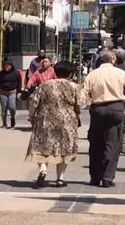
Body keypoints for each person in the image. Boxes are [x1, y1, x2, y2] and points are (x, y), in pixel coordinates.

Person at [81, 50, 125, 187]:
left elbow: (83, 96)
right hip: (116, 108)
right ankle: (107, 178)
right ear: (113, 60)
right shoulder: (120, 73)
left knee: (96, 143)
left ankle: (95, 177)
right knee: (114, 143)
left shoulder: (92, 74)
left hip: (97, 109)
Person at [25, 60, 84, 188]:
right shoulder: (74, 87)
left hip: (45, 119)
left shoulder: (45, 85)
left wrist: (31, 116)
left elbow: (34, 102)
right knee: (64, 149)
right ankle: (60, 179)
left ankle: (43, 169)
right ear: (70, 74)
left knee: (41, 146)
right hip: (67, 121)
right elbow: (81, 103)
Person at [0, 61, 23, 129]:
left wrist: (19, 92)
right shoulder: (1, 73)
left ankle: (12, 118)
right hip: (3, 92)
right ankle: (4, 123)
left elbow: (19, 82)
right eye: (5, 66)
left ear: (11, 66)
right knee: (4, 108)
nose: (6, 67)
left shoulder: (16, 73)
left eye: (8, 66)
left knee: (12, 107)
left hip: (12, 92)